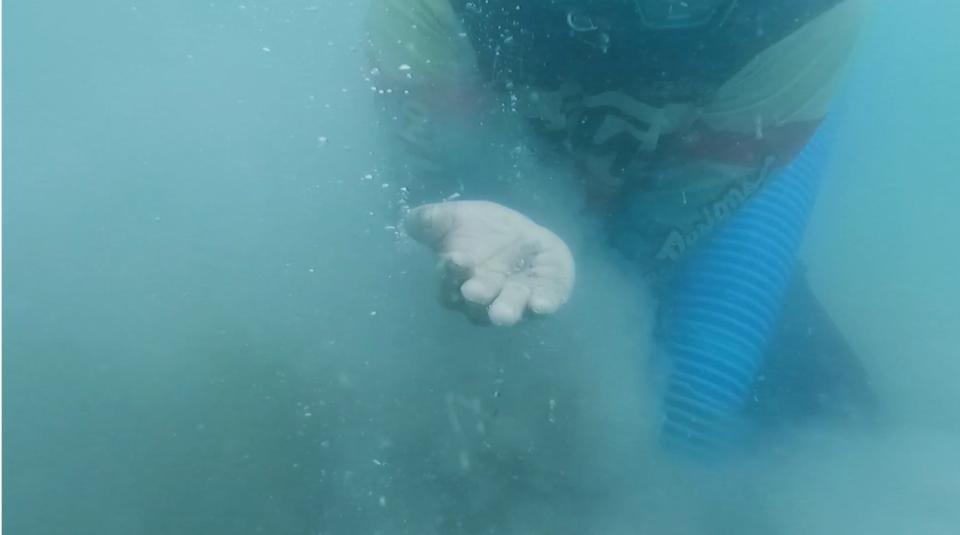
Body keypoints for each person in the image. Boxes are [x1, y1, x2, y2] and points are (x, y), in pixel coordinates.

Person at [364, 0, 876, 440]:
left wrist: (588, 294)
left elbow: (677, 215)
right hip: (489, 219)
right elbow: (425, 174)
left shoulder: (805, 13)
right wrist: (461, 210)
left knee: (842, 426)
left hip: (686, 226)